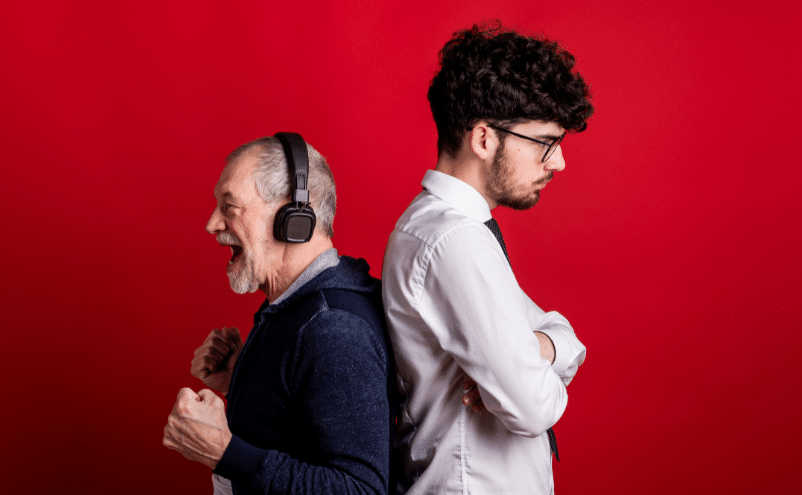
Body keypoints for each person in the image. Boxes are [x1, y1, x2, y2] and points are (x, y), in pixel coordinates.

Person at [381, 24, 593, 494]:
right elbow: (533, 407)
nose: (557, 163)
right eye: (545, 142)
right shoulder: (453, 239)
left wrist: (534, 349)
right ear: (483, 138)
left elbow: (568, 341)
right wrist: (524, 372)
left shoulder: (455, 230)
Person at [163, 133, 396, 495]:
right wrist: (245, 385)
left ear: (292, 217)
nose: (213, 224)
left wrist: (223, 452)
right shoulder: (293, 306)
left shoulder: (334, 327)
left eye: (230, 207)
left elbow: (360, 489)